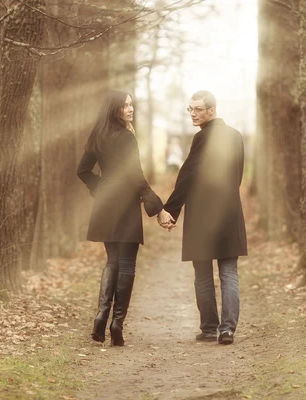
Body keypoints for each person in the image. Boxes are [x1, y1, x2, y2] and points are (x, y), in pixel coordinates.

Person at [77, 89, 175, 346]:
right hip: (125, 204)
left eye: (131, 105)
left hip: (105, 204)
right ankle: (117, 324)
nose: (130, 109)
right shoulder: (127, 138)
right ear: (114, 110)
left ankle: (100, 317)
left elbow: (83, 171)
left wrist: (101, 187)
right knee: (127, 264)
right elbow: (137, 176)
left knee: (112, 261)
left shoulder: (97, 135)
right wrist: (159, 208)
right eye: (125, 106)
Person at [159, 90, 247, 345]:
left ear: (212, 110)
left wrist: (170, 210)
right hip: (229, 212)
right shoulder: (235, 136)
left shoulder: (202, 138)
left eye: (197, 109)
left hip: (201, 215)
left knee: (204, 274)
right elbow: (238, 175)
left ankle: (210, 328)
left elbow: (187, 176)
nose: (193, 114)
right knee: (228, 271)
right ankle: (226, 329)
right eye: (190, 109)